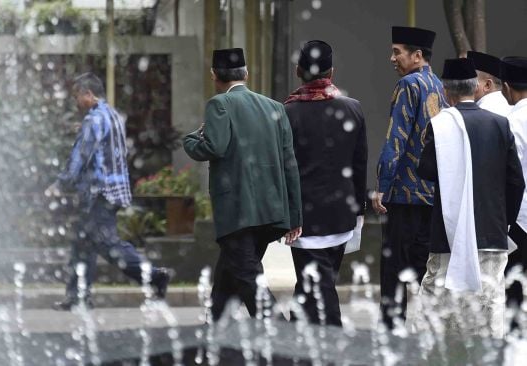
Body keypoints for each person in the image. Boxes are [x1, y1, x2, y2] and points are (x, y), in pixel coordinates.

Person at [183, 48, 303, 322]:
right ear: (246, 74)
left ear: (214, 75)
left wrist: (191, 139)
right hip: (272, 209)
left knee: (248, 275)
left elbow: (214, 146)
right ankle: (213, 328)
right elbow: (290, 163)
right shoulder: (275, 107)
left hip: (237, 210)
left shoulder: (219, 104)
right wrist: (295, 215)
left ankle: (279, 335)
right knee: (230, 272)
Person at [407, 58, 524, 338]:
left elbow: (426, 170)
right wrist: (503, 222)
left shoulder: (441, 124)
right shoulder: (500, 124)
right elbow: (515, 181)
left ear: (447, 92)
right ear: (475, 87)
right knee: (490, 300)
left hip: (449, 231)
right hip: (491, 233)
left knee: (439, 301)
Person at [48, 72, 170, 311]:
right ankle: (78, 297)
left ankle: (155, 277)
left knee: (108, 246)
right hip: (114, 189)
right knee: (83, 244)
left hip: (99, 193)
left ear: (88, 94)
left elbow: (80, 156)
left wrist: (60, 184)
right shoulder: (113, 115)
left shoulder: (93, 121)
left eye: (77, 96)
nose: (75, 101)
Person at [283, 40, 367, 326]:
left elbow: (284, 168)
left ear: (298, 71)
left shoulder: (287, 113)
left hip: (304, 218)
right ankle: (294, 333)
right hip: (342, 214)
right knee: (319, 280)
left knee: (318, 284)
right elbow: (359, 165)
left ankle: (333, 339)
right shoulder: (353, 109)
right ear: (331, 72)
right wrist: (359, 210)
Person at [372, 26, 448, 330]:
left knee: (393, 272)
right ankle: (430, 331)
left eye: (397, 51)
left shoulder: (408, 85)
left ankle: (391, 335)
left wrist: (382, 185)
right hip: (432, 195)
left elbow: (396, 138)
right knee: (424, 271)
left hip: (404, 195)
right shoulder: (441, 87)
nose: (392, 58)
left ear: (417, 56)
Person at [501, 56, 527, 326]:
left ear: (506, 87)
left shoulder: (512, 122)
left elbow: (511, 176)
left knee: (513, 287)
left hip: (520, 219)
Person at [467, 50, 512, 116]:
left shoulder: (481, 113)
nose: (465, 85)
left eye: (470, 81)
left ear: (487, 85)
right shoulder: (512, 106)